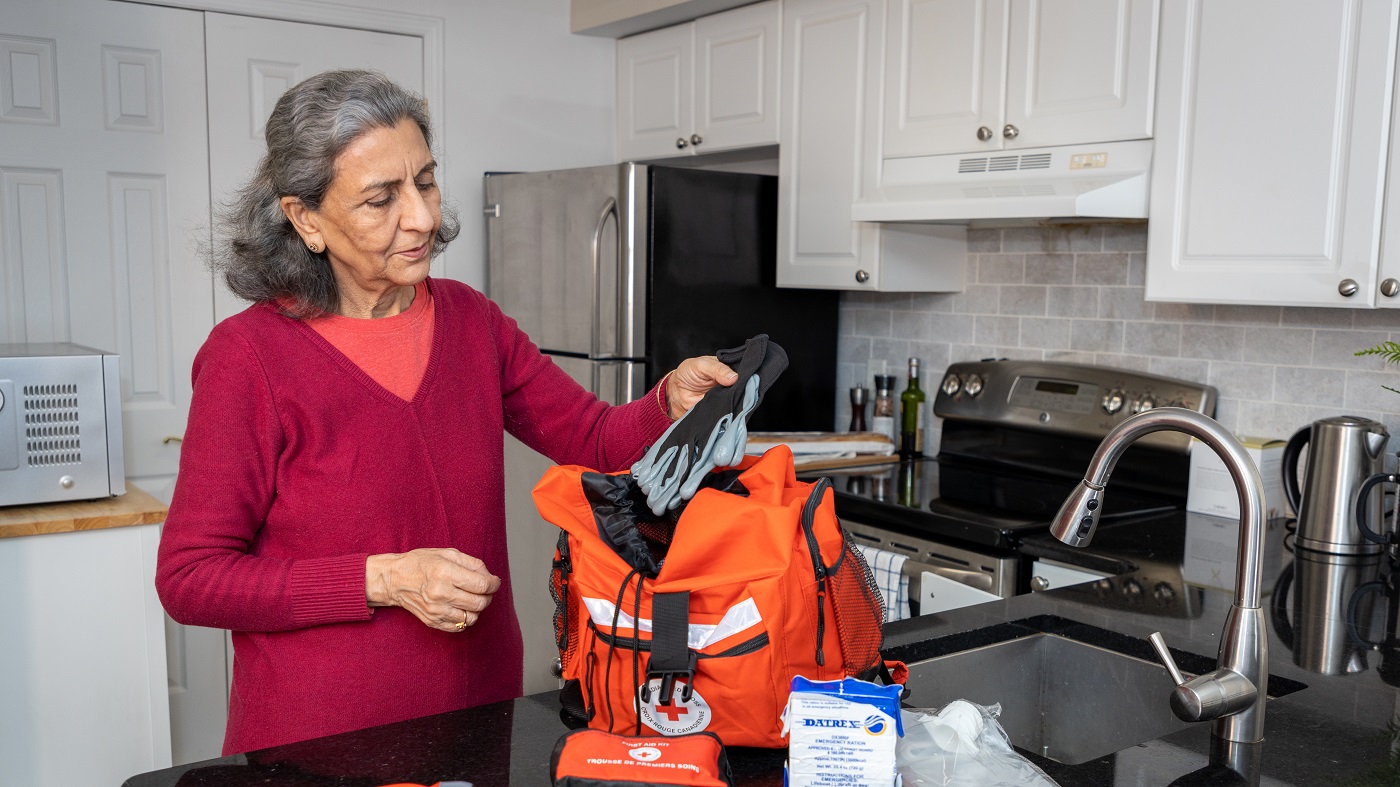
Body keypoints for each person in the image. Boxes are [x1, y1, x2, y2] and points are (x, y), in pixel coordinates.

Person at [154, 69, 737, 755]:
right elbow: (191, 578)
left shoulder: (471, 320)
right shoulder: (247, 357)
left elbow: (594, 437)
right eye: (381, 199)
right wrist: (385, 579)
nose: (424, 217)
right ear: (305, 218)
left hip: (480, 721)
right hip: (318, 746)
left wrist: (668, 400)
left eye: (424, 182)